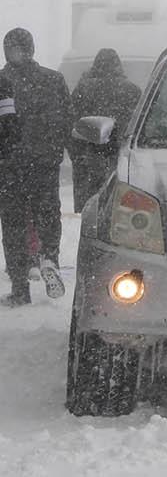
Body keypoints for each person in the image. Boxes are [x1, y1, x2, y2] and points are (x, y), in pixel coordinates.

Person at [0, 28, 72, 306]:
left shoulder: (3, 80)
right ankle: (49, 257)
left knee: (14, 225)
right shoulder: (53, 79)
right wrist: (56, 152)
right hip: (44, 164)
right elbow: (67, 119)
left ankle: (20, 287)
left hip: (10, 166)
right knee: (48, 214)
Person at [68, 48, 141, 211]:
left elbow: (72, 123)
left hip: (88, 156)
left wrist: (76, 154)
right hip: (120, 156)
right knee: (120, 208)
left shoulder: (83, 89)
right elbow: (138, 126)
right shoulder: (132, 91)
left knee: (88, 208)